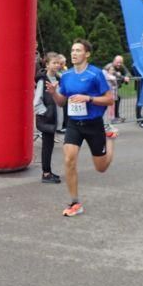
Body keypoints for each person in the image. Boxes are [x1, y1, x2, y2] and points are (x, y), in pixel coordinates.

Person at [47, 39, 115, 217]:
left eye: (78, 50)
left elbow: (110, 99)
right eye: (72, 50)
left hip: (93, 124)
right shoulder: (67, 76)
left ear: (87, 54)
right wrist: (54, 93)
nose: (74, 53)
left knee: (101, 168)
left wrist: (89, 98)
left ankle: (110, 141)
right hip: (74, 124)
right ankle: (74, 202)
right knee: (69, 160)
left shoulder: (95, 74)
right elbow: (61, 102)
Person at [34, 52, 62, 184]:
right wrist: (46, 113)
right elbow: (36, 101)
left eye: (58, 63)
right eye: (54, 63)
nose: (57, 65)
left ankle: (48, 171)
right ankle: (46, 173)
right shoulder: (42, 80)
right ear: (47, 64)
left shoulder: (57, 78)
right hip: (47, 119)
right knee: (47, 146)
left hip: (54, 118)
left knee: (50, 146)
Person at [104, 55, 130, 123]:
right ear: (114, 61)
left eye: (120, 62)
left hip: (113, 89)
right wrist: (123, 78)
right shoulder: (109, 66)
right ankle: (112, 118)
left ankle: (115, 117)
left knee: (117, 99)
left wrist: (126, 77)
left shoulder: (121, 65)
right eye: (118, 62)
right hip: (106, 88)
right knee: (109, 103)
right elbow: (114, 74)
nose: (119, 64)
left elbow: (127, 72)